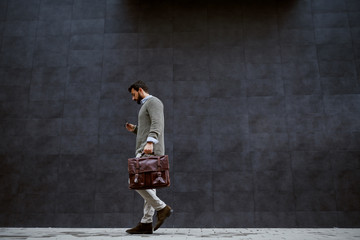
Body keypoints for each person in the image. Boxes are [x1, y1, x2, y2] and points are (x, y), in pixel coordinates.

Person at [125, 80, 172, 234]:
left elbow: (158, 123)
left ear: (140, 90)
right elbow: (148, 127)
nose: (132, 98)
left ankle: (162, 208)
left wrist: (151, 141)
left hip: (149, 149)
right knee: (149, 185)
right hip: (145, 147)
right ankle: (146, 222)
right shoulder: (146, 105)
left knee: (135, 180)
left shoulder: (154, 102)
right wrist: (135, 129)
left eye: (133, 94)